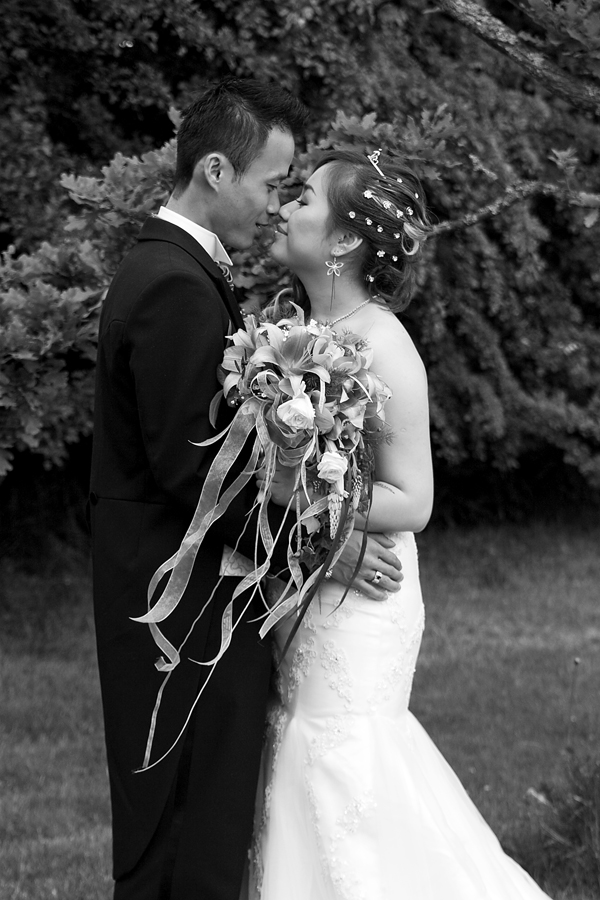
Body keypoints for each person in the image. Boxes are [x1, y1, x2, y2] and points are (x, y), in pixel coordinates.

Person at [89, 81, 403, 900]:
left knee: (197, 826)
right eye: (271, 183)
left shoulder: (181, 272)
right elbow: (196, 477)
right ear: (217, 171)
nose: (274, 206)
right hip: (181, 609)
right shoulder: (173, 284)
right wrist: (324, 550)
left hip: (193, 601)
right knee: (185, 835)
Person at [246, 149, 553, 899]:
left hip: (363, 595)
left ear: (345, 239)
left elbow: (413, 499)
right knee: (294, 753)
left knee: (344, 764)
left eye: (304, 200)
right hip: (302, 577)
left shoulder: (383, 344)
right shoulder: (287, 331)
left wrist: (291, 490)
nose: (283, 209)